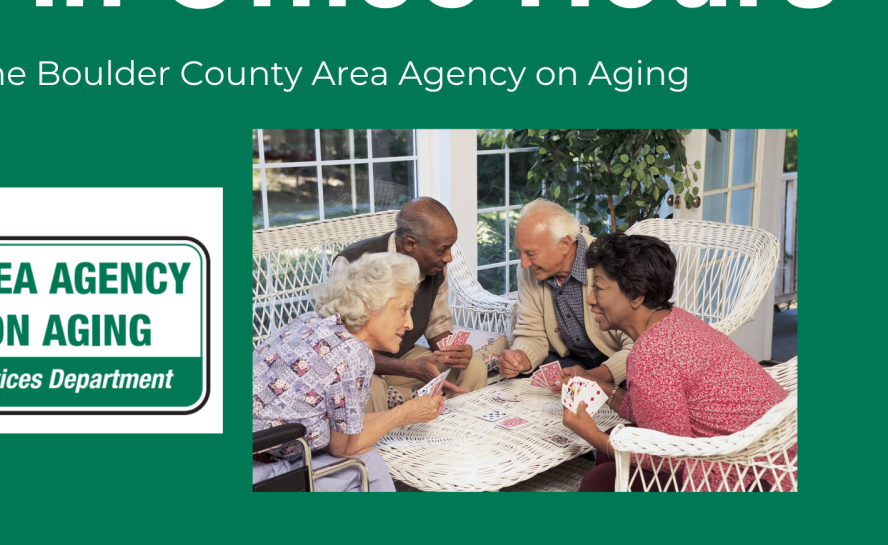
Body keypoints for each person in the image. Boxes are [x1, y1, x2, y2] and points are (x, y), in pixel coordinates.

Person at [558, 232, 793, 491]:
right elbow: (661, 411)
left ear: (637, 294)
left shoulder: (651, 354)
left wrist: (593, 436)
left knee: (598, 481)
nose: (590, 299)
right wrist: (602, 389)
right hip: (780, 454)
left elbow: (668, 459)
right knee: (617, 441)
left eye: (598, 287)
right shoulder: (675, 319)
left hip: (753, 477)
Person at [253, 252, 447, 492]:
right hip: (261, 471)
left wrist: (407, 411)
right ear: (369, 305)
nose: (408, 323)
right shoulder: (353, 354)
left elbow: (345, 426)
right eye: (404, 309)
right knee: (366, 460)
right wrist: (404, 415)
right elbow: (343, 447)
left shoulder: (312, 321)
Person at [330, 197, 496, 413]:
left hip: (403, 355)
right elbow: (341, 348)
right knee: (370, 387)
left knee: (471, 366)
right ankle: (380, 446)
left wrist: (454, 353)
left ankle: (457, 437)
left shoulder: (434, 267)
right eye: (442, 250)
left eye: (450, 248)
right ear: (410, 244)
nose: (449, 258)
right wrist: (408, 368)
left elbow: (437, 326)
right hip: (358, 366)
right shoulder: (351, 265)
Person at [498, 199, 632, 385]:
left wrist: (595, 376)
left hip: (616, 361)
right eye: (519, 253)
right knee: (526, 379)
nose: (524, 263)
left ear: (564, 244)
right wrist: (518, 358)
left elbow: (638, 344)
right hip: (568, 362)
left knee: (639, 380)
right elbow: (531, 334)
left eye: (531, 254)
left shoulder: (611, 263)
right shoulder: (528, 271)